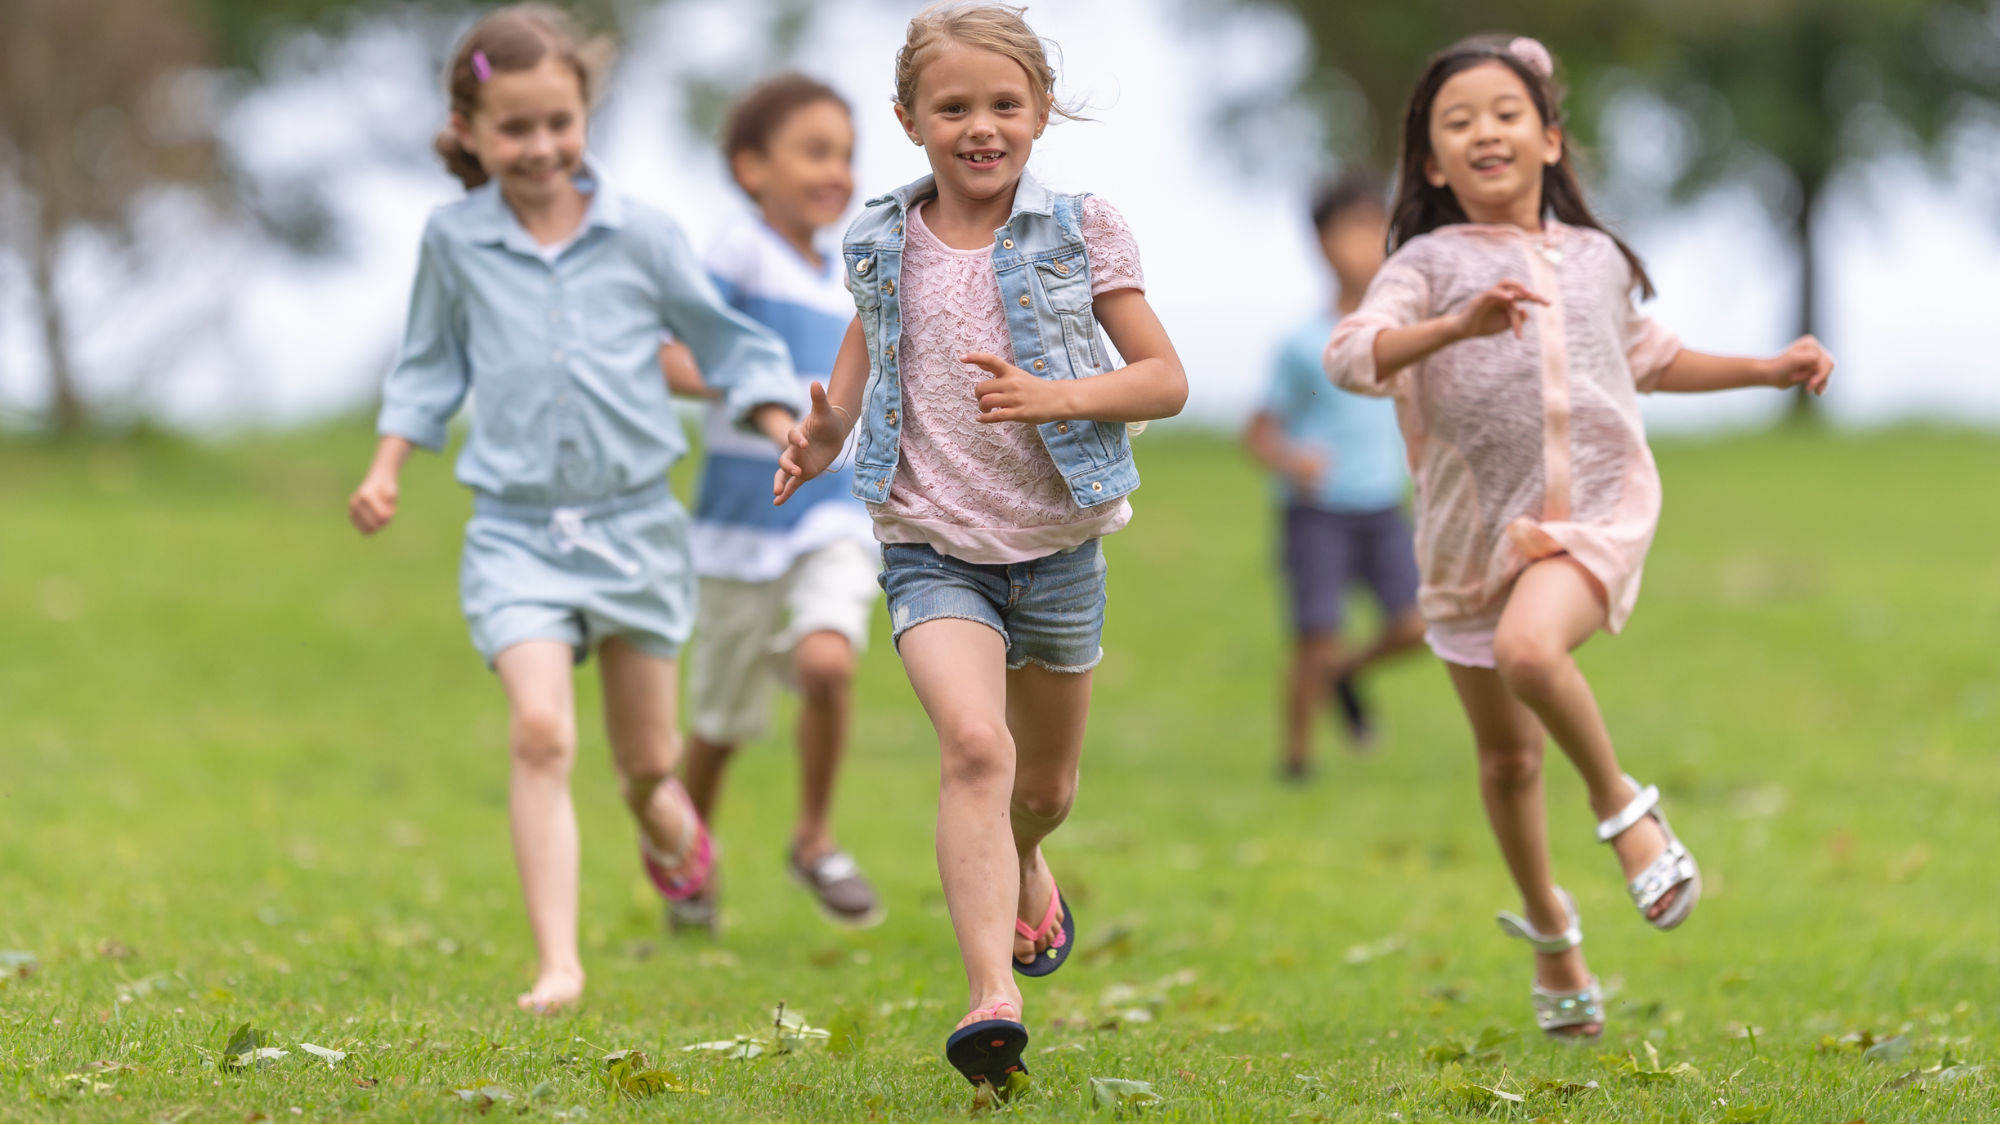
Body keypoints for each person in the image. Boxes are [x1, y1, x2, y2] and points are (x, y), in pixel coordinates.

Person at [1323, 34, 1833, 1040]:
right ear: (1430, 161)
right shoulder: (1423, 266)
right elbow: (1351, 356)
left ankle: (1624, 812)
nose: (1484, 132)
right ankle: (1552, 929)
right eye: (1458, 121)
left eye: (1505, 114)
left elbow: (1648, 355)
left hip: (1596, 507)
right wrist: (1454, 328)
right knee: (1507, 761)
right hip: (1470, 535)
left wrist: (1765, 368)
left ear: (1549, 139)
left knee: (1528, 649)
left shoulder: (1595, 260)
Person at [346, 3, 803, 1014]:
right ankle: (559, 963)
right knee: (541, 733)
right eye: (514, 129)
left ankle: (670, 827)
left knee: (647, 763)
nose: (541, 146)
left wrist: (782, 424)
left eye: (559, 122)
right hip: (515, 532)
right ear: (468, 132)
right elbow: (425, 369)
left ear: (585, 114)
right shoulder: (453, 241)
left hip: (634, 528)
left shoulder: (641, 235)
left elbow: (728, 347)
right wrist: (386, 468)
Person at [771, 1, 1187, 1090]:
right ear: (908, 118)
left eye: (1004, 104)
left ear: (1040, 111)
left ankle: (1029, 860)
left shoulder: (1082, 229)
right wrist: (824, 435)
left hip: (1057, 547)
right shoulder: (881, 238)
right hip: (931, 543)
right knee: (973, 747)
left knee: (1040, 790)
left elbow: (1164, 380)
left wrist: (1058, 395)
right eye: (952, 107)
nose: (980, 127)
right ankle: (989, 997)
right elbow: (864, 354)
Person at [658, 75, 886, 935]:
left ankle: (814, 837)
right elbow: (671, 354)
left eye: (846, 154)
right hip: (737, 528)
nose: (836, 172)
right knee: (719, 725)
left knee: (830, 661)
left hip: (833, 512)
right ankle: (687, 860)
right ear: (753, 168)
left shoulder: (851, 280)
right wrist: (754, 389)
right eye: (814, 152)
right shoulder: (739, 254)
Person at [1243, 172, 1425, 779]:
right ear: (1322, 243)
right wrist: (1292, 460)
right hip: (1317, 511)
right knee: (1314, 638)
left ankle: (1347, 673)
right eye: (1354, 230)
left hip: (1383, 506)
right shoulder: (1303, 344)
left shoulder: (1403, 333)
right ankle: (1297, 763)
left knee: (1418, 625)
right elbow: (1258, 431)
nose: (1369, 245)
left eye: (1380, 230)